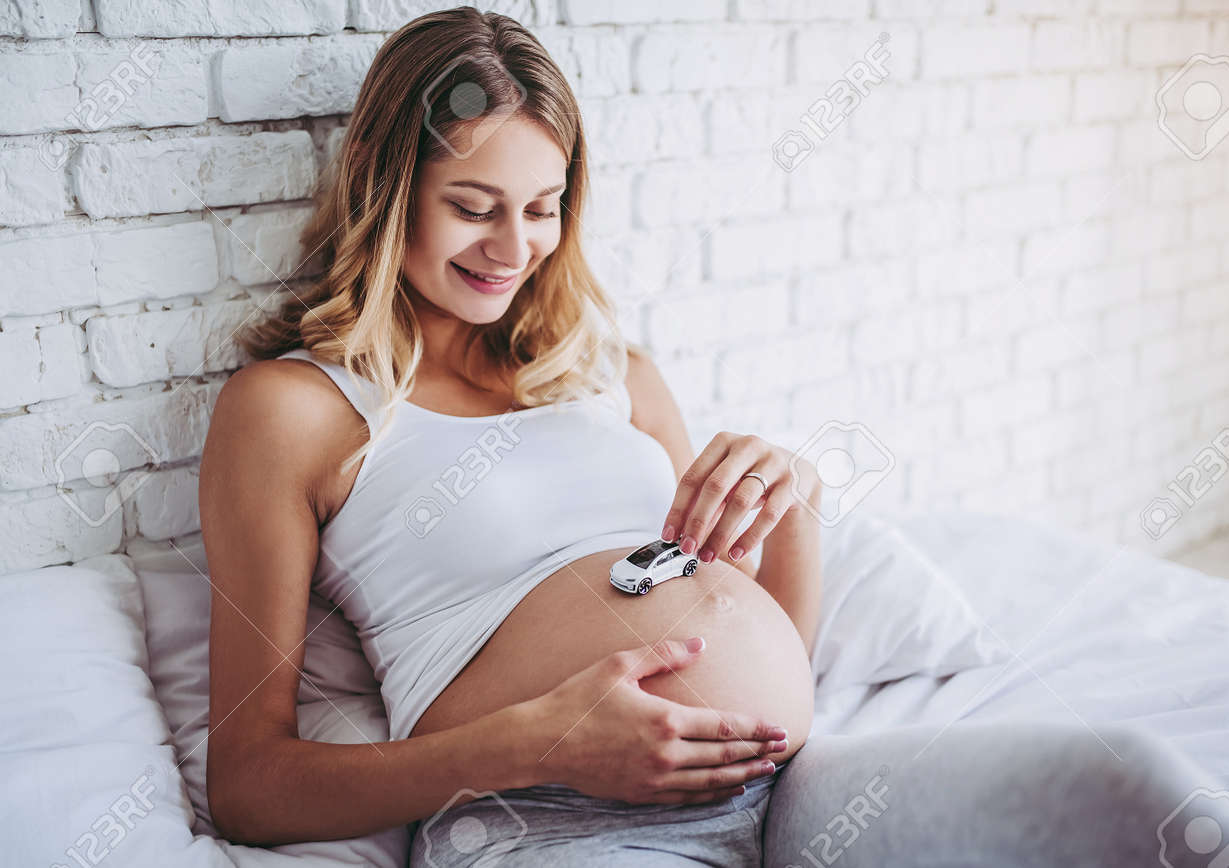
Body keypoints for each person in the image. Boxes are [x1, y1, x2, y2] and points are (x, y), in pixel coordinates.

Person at [199, 7, 822, 864]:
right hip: (551, 818)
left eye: (541, 208)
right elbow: (246, 786)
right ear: (385, 188)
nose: (513, 248)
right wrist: (540, 745)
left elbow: (752, 641)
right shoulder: (293, 410)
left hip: (790, 786)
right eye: (472, 207)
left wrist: (795, 501)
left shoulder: (616, 374)